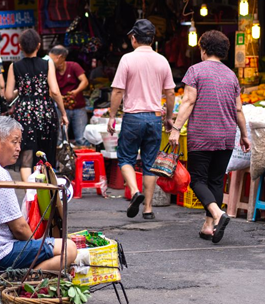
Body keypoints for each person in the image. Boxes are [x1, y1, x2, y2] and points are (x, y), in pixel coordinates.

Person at [0, 116, 77, 272]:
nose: (19, 147)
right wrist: (37, 247)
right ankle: (26, 282)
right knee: (69, 248)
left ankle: (27, 277)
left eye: (19, 142)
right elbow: (19, 228)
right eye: (14, 141)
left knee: (50, 244)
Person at [169, 30, 251, 244]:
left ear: (203, 49)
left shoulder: (195, 70)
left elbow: (188, 102)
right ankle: (208, 226)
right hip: (226, 134)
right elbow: (239, 110)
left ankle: (217, 214)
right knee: (216, 180)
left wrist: (176, 129)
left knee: (197, 180)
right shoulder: (231, 75)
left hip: (202, 135)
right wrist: (244, 134)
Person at [107, 19, 175, 220]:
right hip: (154, 118)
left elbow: (118, 90)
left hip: (133, 117)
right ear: (152, 39)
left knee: (125, 158)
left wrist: (112, 115)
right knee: (150, 163)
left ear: (134, 38)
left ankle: (135, 191)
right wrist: (169, 117)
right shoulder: (162, 60)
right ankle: (147, 208)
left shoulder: (127, 59)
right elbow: (170, 93)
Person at [5, 29, 67, 182]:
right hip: (45, 111)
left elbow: (7, 96)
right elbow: (54, 91)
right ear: (39, 46)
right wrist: (63, 113)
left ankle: (30, 191)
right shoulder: (47, 64)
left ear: (20, 46)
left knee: (26, 154)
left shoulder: (14, 66)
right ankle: (46, 190)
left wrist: (21, 89)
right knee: (46, 153)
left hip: (23, 113)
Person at [49, 45, 89, 146]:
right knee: (59, 139)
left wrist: (76, 91)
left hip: (78, 107)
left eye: (52, 57)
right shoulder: (51, 70)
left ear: (60, 57)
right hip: (60, 108)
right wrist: (59, 98)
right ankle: (60, 161)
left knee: (81, 138)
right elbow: (50, 90)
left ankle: (82, 161)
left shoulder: (73, 66)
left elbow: (85, 81)